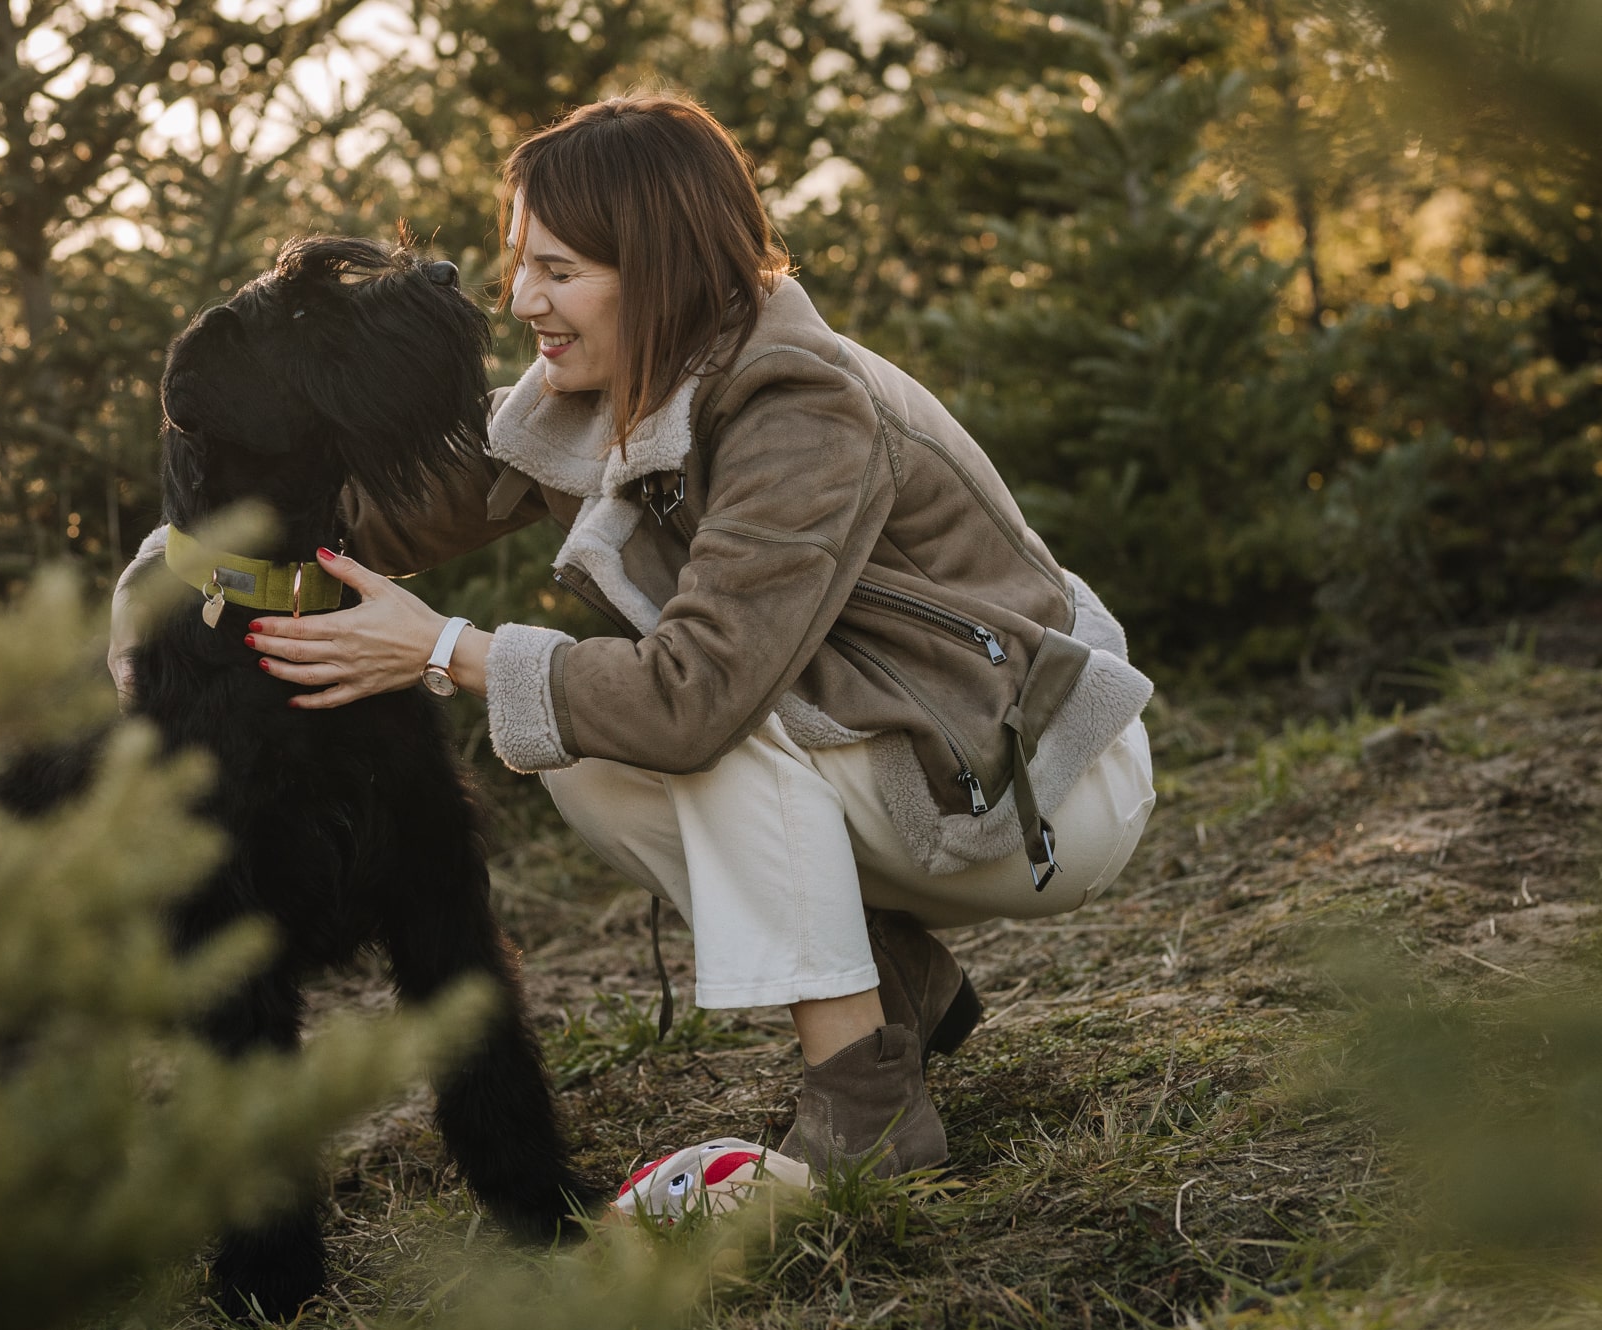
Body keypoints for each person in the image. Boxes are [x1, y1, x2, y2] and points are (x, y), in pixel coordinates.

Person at [117, 94, 1156, 1177]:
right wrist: (163, 570)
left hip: (1030, 785)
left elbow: (700, 693)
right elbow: (364, 520)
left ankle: (866, 1114)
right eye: (522, 262)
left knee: (683, 723)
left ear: (657, 265)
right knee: (587, 750)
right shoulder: (586, 393)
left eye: (559, 271)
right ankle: (898, 983)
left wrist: (443, 651)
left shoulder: (798, 403)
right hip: (892, 745)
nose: (521, 299)